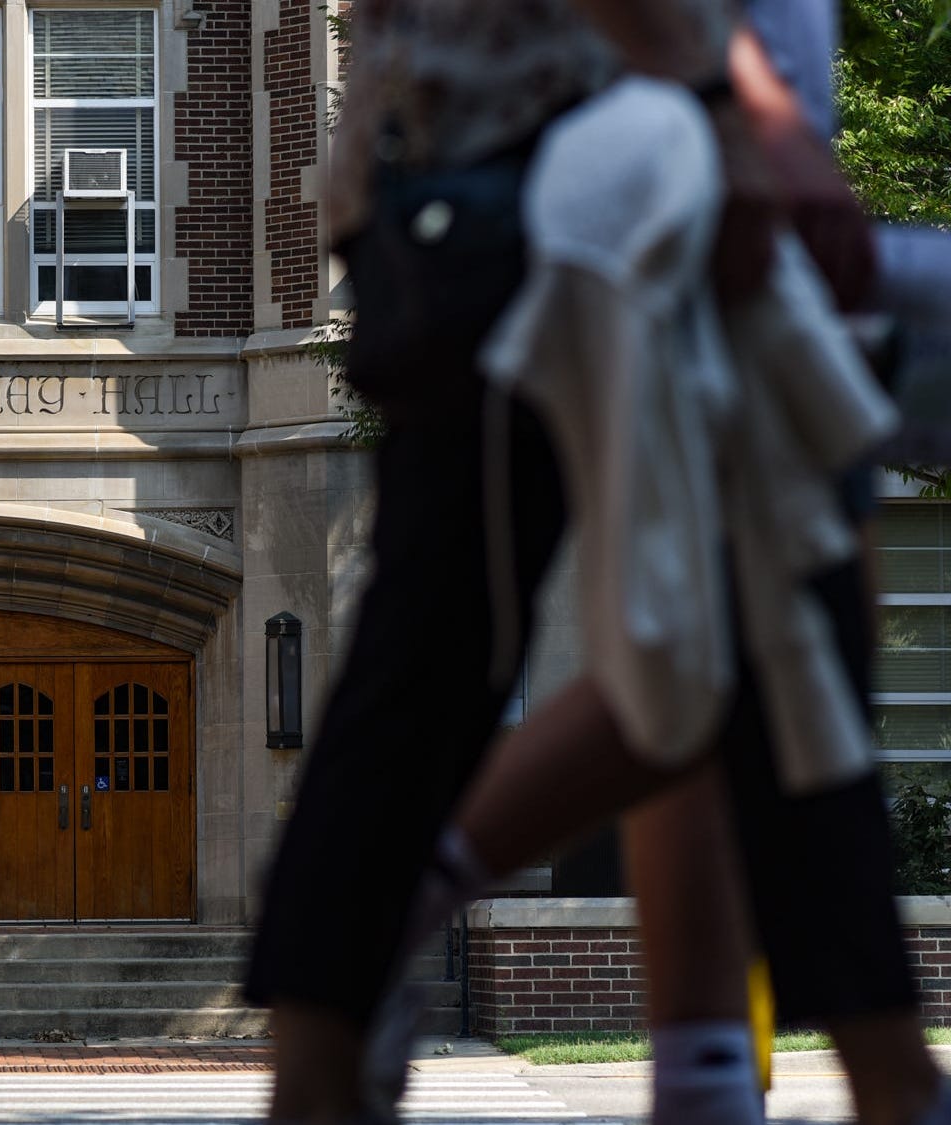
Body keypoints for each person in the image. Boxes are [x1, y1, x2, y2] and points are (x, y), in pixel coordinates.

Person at [245, 3, 944, 1124]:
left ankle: (761, 1075)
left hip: (506, 178)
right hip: (569, 182)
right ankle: (881, 1078)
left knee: (686, 639)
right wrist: (732, 112)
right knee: (768, 623)